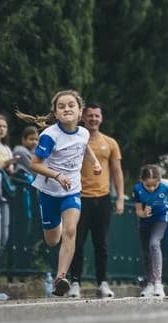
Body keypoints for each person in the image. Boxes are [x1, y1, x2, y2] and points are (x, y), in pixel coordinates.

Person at [19, 90, 101, 297]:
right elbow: (34, 164)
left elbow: (84, 147)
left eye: (71, 105)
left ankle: (60, 278)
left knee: (71, 231)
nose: (67, 109)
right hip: (48, 191)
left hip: (71, 190)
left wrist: (95, 162)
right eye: (61, 106)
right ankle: (59, 226)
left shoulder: (83, 133)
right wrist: (56, 175)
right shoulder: (49, 136)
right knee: (52, 240)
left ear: (80, 111)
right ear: (55, 113)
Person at [66, 103, 125, 299]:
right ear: (83, 117)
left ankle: (102, 283)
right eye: (90, 115)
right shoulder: (75, 140)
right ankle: (74, 282)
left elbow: (117, 171)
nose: (93, 119)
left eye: (97, 116)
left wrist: (120, 199)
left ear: (101, 118)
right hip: (79, 197)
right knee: (77, 242)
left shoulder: (110, 143)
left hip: (102, 198)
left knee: (102, 244)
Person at [133, 165, 168, 298]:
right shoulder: (138, 189)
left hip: (161, 217)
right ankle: (150, 283)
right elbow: (138, 211)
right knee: (146, 251)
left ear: (160, 179)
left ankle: (158, 282)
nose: (152, 188)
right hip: (145, 221)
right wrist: (143, 213)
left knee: (154, 243)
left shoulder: (166, 185)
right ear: (142, 181)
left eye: (154, 185)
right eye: (148, 185)